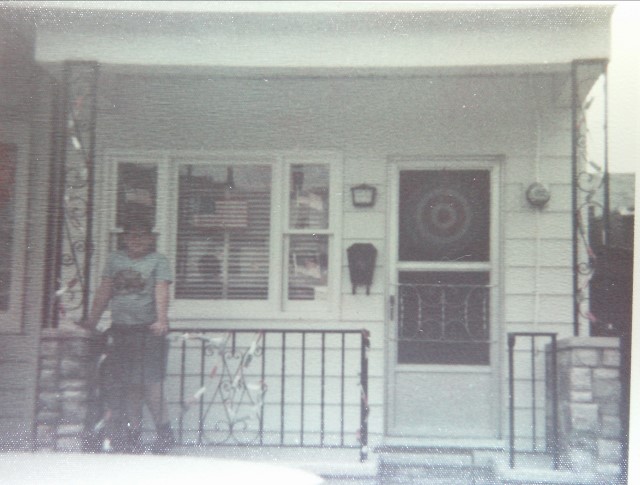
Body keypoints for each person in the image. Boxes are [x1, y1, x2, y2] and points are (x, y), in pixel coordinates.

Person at [79, 213, 175, 454]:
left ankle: (164, 434)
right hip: (122, 331)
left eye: (142, 235)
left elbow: (161, 289)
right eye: (132, 235)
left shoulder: (158, 261)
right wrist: (92, 321)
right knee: (131, 385)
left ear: (151, 238)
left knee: (151, 385)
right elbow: (105, 290)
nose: (137, 240)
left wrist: (161, 319)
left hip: (148, 332)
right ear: (124, 238)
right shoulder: (115, 260)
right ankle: (133, 436)